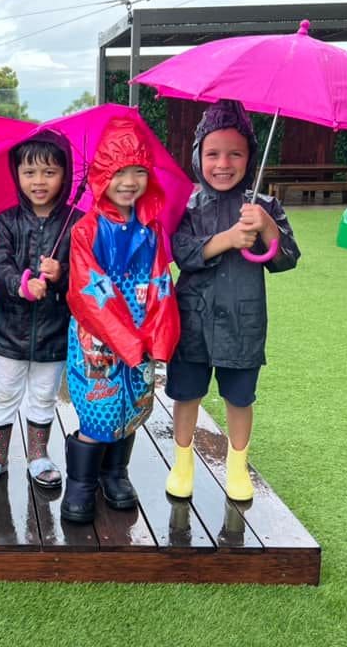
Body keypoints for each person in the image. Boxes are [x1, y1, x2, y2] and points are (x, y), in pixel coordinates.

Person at [165, 99, 299, 502]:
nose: (223, 163)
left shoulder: (264, 207)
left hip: (243, 322)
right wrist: (225, 240)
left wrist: (267, 227)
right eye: (212, 154)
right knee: (187, 393)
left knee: (240, 396)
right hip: (192, 318)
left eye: (235, 154)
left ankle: (237, 466)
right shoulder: (187, 206)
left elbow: (286, 259)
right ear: (197, 157)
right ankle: (182, 461)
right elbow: (180, 252)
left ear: (250, 159)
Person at [61, 117, 180, 522]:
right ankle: (80, 484)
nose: (129, 181)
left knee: (134, 403)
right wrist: (124, 339)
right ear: (101, 175)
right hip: (99, 337)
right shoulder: (85, 229)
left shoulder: (150, 227)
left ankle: (116, 473)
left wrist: (156, 334)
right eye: (119, 171)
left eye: (139, 172)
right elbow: (86, 290)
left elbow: (161, 279)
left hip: (141, 333)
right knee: (99, 408)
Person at [0, 130, 82, 489]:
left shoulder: (77, 222)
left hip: (53, 331)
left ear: (65, 175)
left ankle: (39, 455)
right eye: (29, 172)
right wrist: (22, 284)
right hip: (8, 330)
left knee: (44, 395)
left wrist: (61, 275)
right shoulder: (6, 221)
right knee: (3, 393)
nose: (39, 181)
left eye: (49, 172)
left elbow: (84, 275)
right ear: (17, 175)